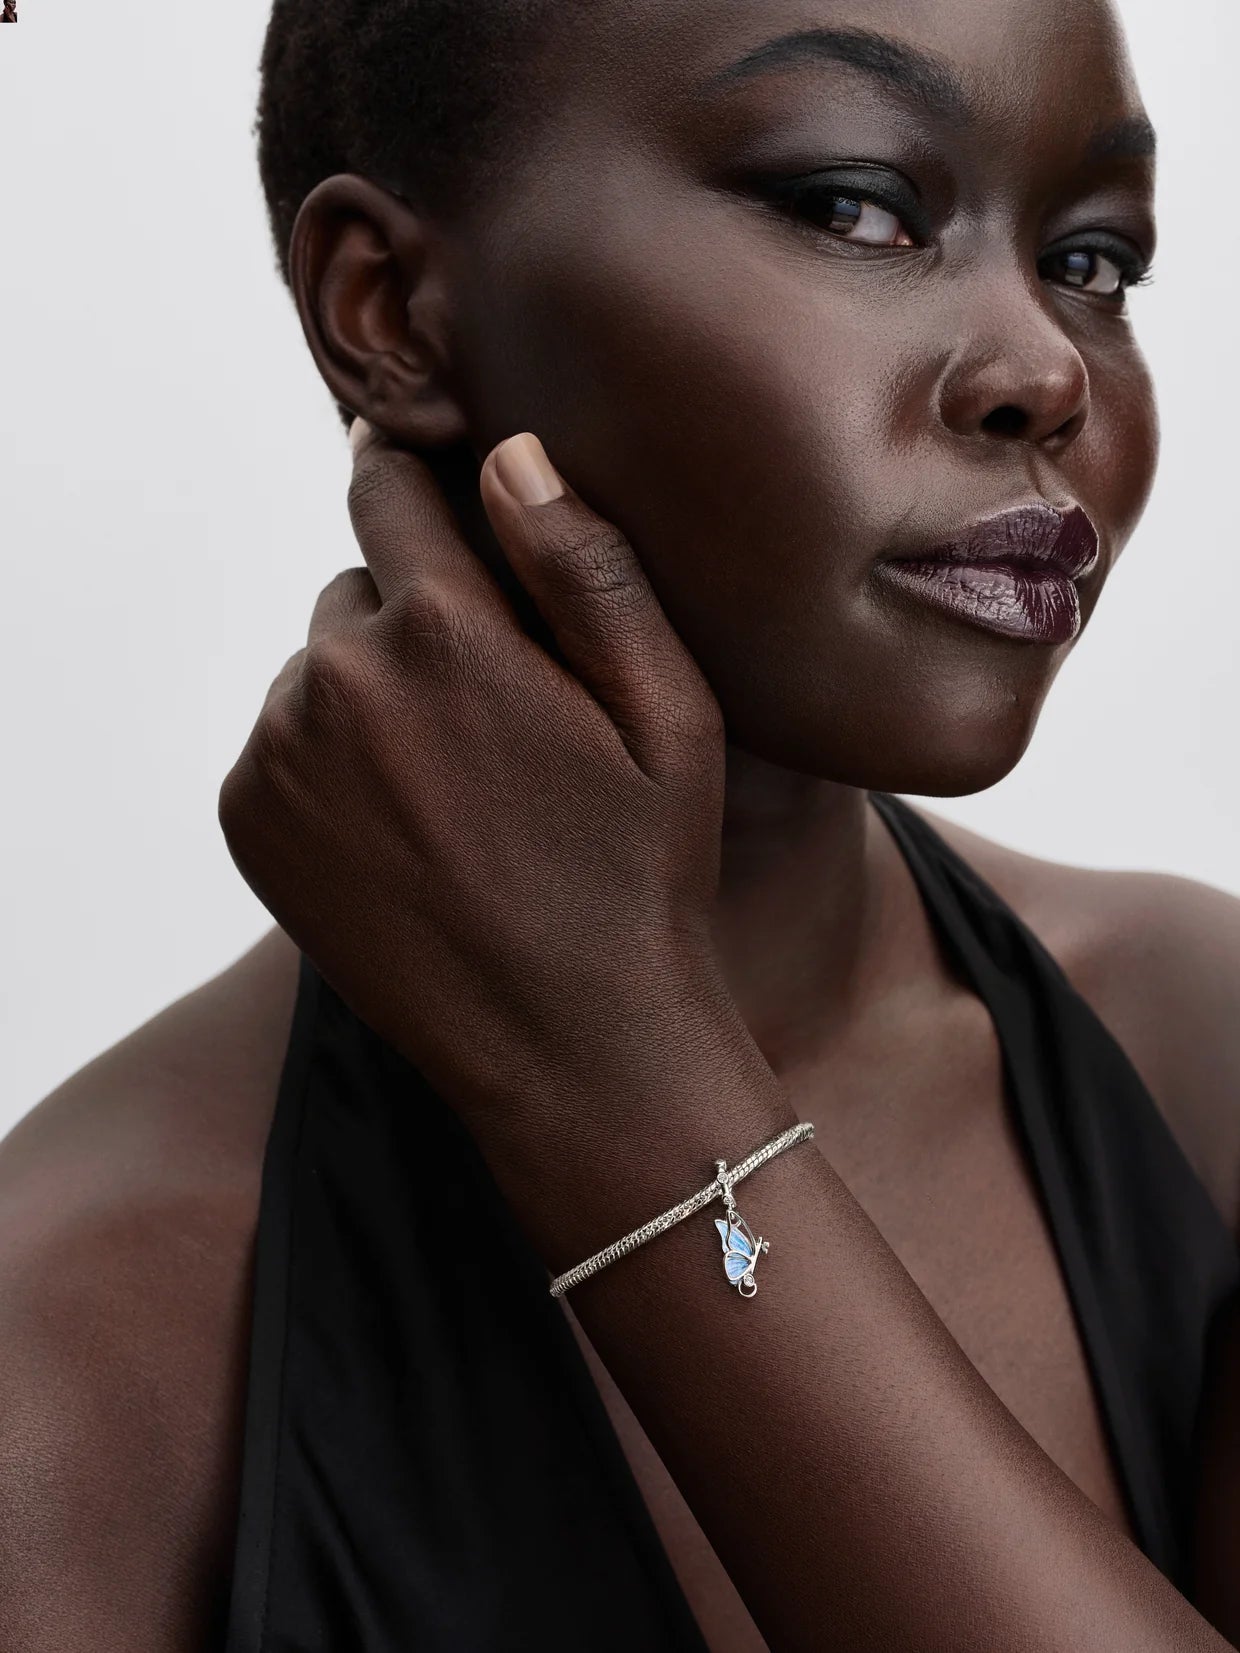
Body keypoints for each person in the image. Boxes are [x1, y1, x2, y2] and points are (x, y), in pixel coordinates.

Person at [2, 0, 1239, 1648]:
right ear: (387, 307)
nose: (1046, 372)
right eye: (855, 205)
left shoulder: (1204, 1050)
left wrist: (622, 1079)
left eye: (1091, 259)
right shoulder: (69, 1363)